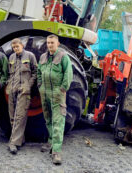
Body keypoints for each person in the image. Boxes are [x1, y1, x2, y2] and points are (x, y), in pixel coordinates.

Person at [37, 34, 73, 165]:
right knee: (48, 119)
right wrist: (40, 85)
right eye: (48, 42)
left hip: (57, 92)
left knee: (58, 121)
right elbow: (39, 72)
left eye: (52, 42)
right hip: (44, 92)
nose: (50, 45)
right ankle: (51, 142)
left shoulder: (63, 56)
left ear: (57, 43)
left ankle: (56, 151)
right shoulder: (43, 57)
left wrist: (63, 88)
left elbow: (68, 73)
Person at [7, 38, 37, 154]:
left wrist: (29, 85)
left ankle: (13, 143)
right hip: (12, 89)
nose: (15, 49)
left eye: (17, 47)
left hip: (24, 90)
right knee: (12, 116)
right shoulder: (11, 57)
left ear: (22, 45)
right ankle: (21, 139)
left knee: (20, 116)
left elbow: (35, 72)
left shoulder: (30, 56)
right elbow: (10, 73)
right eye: (14, 47)